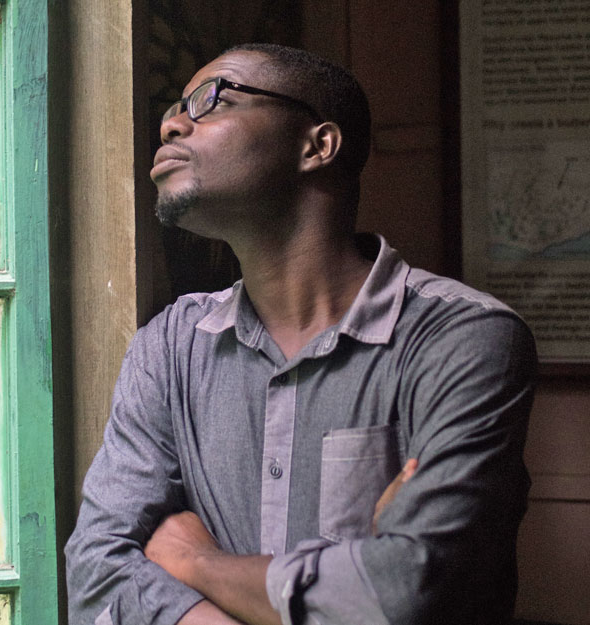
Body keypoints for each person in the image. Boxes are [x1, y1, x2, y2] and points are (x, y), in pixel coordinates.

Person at [64, 43, 536, 625]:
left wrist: (194, 561)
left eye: (212, 98)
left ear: (318, 145)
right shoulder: (169, 346)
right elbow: (95, 572)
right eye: (176, 106)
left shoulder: (462, 338)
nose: (171, 123)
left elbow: (410, 588)